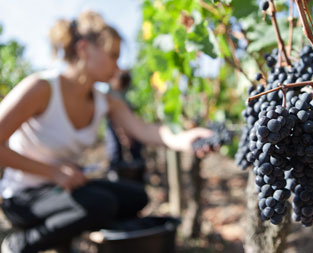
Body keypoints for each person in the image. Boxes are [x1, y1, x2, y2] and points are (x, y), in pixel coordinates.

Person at [0, 10, 212, 253]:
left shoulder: (104, 101)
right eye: (113, 55)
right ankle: (21, 243)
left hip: (65, 188)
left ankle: (71, 236)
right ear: (84, 49)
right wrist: (53, 173)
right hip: (23, 197)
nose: (117, 65)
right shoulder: (41, 88)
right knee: (102, 204)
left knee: (136, 197)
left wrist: (186, 140)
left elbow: (143, 129)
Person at [104, 69, 146, 183]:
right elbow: (114, 118)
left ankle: (139, 176)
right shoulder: (111, 92)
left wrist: (131, 133)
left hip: (129, 118)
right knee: (114, 148)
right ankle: (114, 176)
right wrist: (123, 135)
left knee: (136, 145)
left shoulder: (128, 89)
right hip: (113, 121)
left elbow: (131, 114)